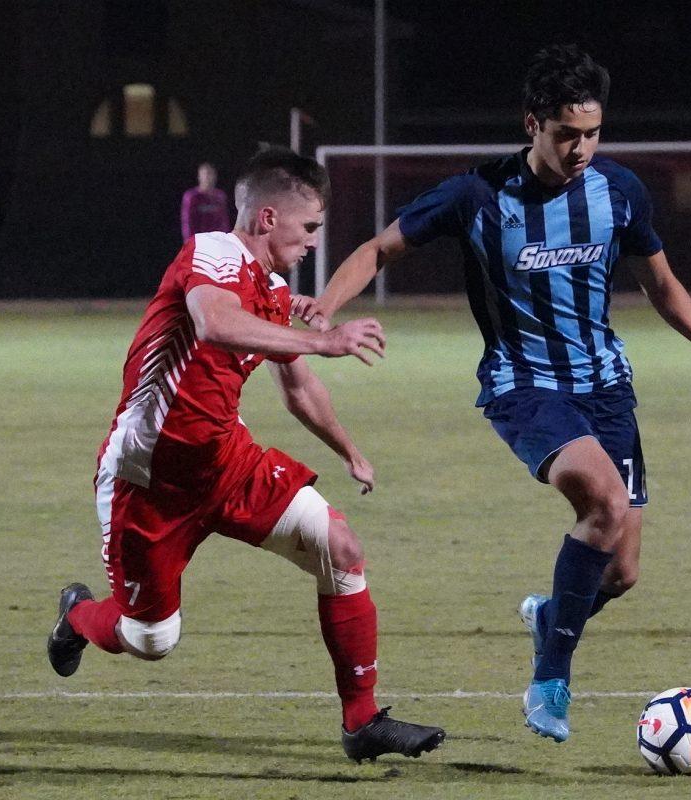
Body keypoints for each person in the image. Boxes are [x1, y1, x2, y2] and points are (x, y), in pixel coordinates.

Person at [312, 45, 691, 743]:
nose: (582, 148)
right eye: (567, 134)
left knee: (622, 571)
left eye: (593, 133)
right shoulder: (477, 195)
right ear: (533, 125)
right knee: (604, 502)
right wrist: (324, 307)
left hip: (606, 387)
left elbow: (660, 285)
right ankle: (552, 676)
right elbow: (377, 249)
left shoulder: (620, 193)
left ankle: (553, 615)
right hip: (524, 385)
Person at [47, 147, 446, 763]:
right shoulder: (211, 252)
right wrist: (325, 338)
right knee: (150, 639)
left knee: (340, 549)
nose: (315, 240)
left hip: (227, 462)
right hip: (148, 480)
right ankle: (78, 617)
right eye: (309, 226)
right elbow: (214, 324)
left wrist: (348, 449)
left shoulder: (276, 290)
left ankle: (362, 720)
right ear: (266, 219)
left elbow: (298, 386)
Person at [180, 162, 231, 240]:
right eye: (205, 174)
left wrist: (225, 238)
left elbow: (224, 221)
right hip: (199, 240)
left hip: (217, 241)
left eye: (210, 174)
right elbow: (187, 222)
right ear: (199, 176)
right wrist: (189, 241)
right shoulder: (191, 196)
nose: (208, 177)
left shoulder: (220, 196)